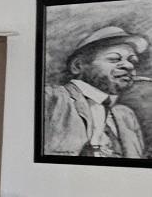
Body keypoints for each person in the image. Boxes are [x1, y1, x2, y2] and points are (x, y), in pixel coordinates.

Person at [43, 24, 148, 160]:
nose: (129, 66)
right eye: (114, 59)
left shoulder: (126, 116)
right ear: (78, 66)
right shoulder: (51, 98)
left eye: (132, 61)